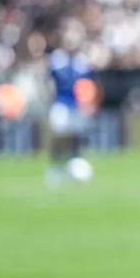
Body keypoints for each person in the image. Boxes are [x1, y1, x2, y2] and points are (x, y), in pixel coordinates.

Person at [45, 37, 99, 186]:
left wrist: (90, 104)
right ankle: (55, 166)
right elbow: (48, 81)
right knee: (60, 136)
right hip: (61, 103)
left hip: (78, 105)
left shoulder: (82, 62)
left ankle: (75, 165)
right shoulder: (56, 59)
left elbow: (90, 85)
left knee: (76, 137)